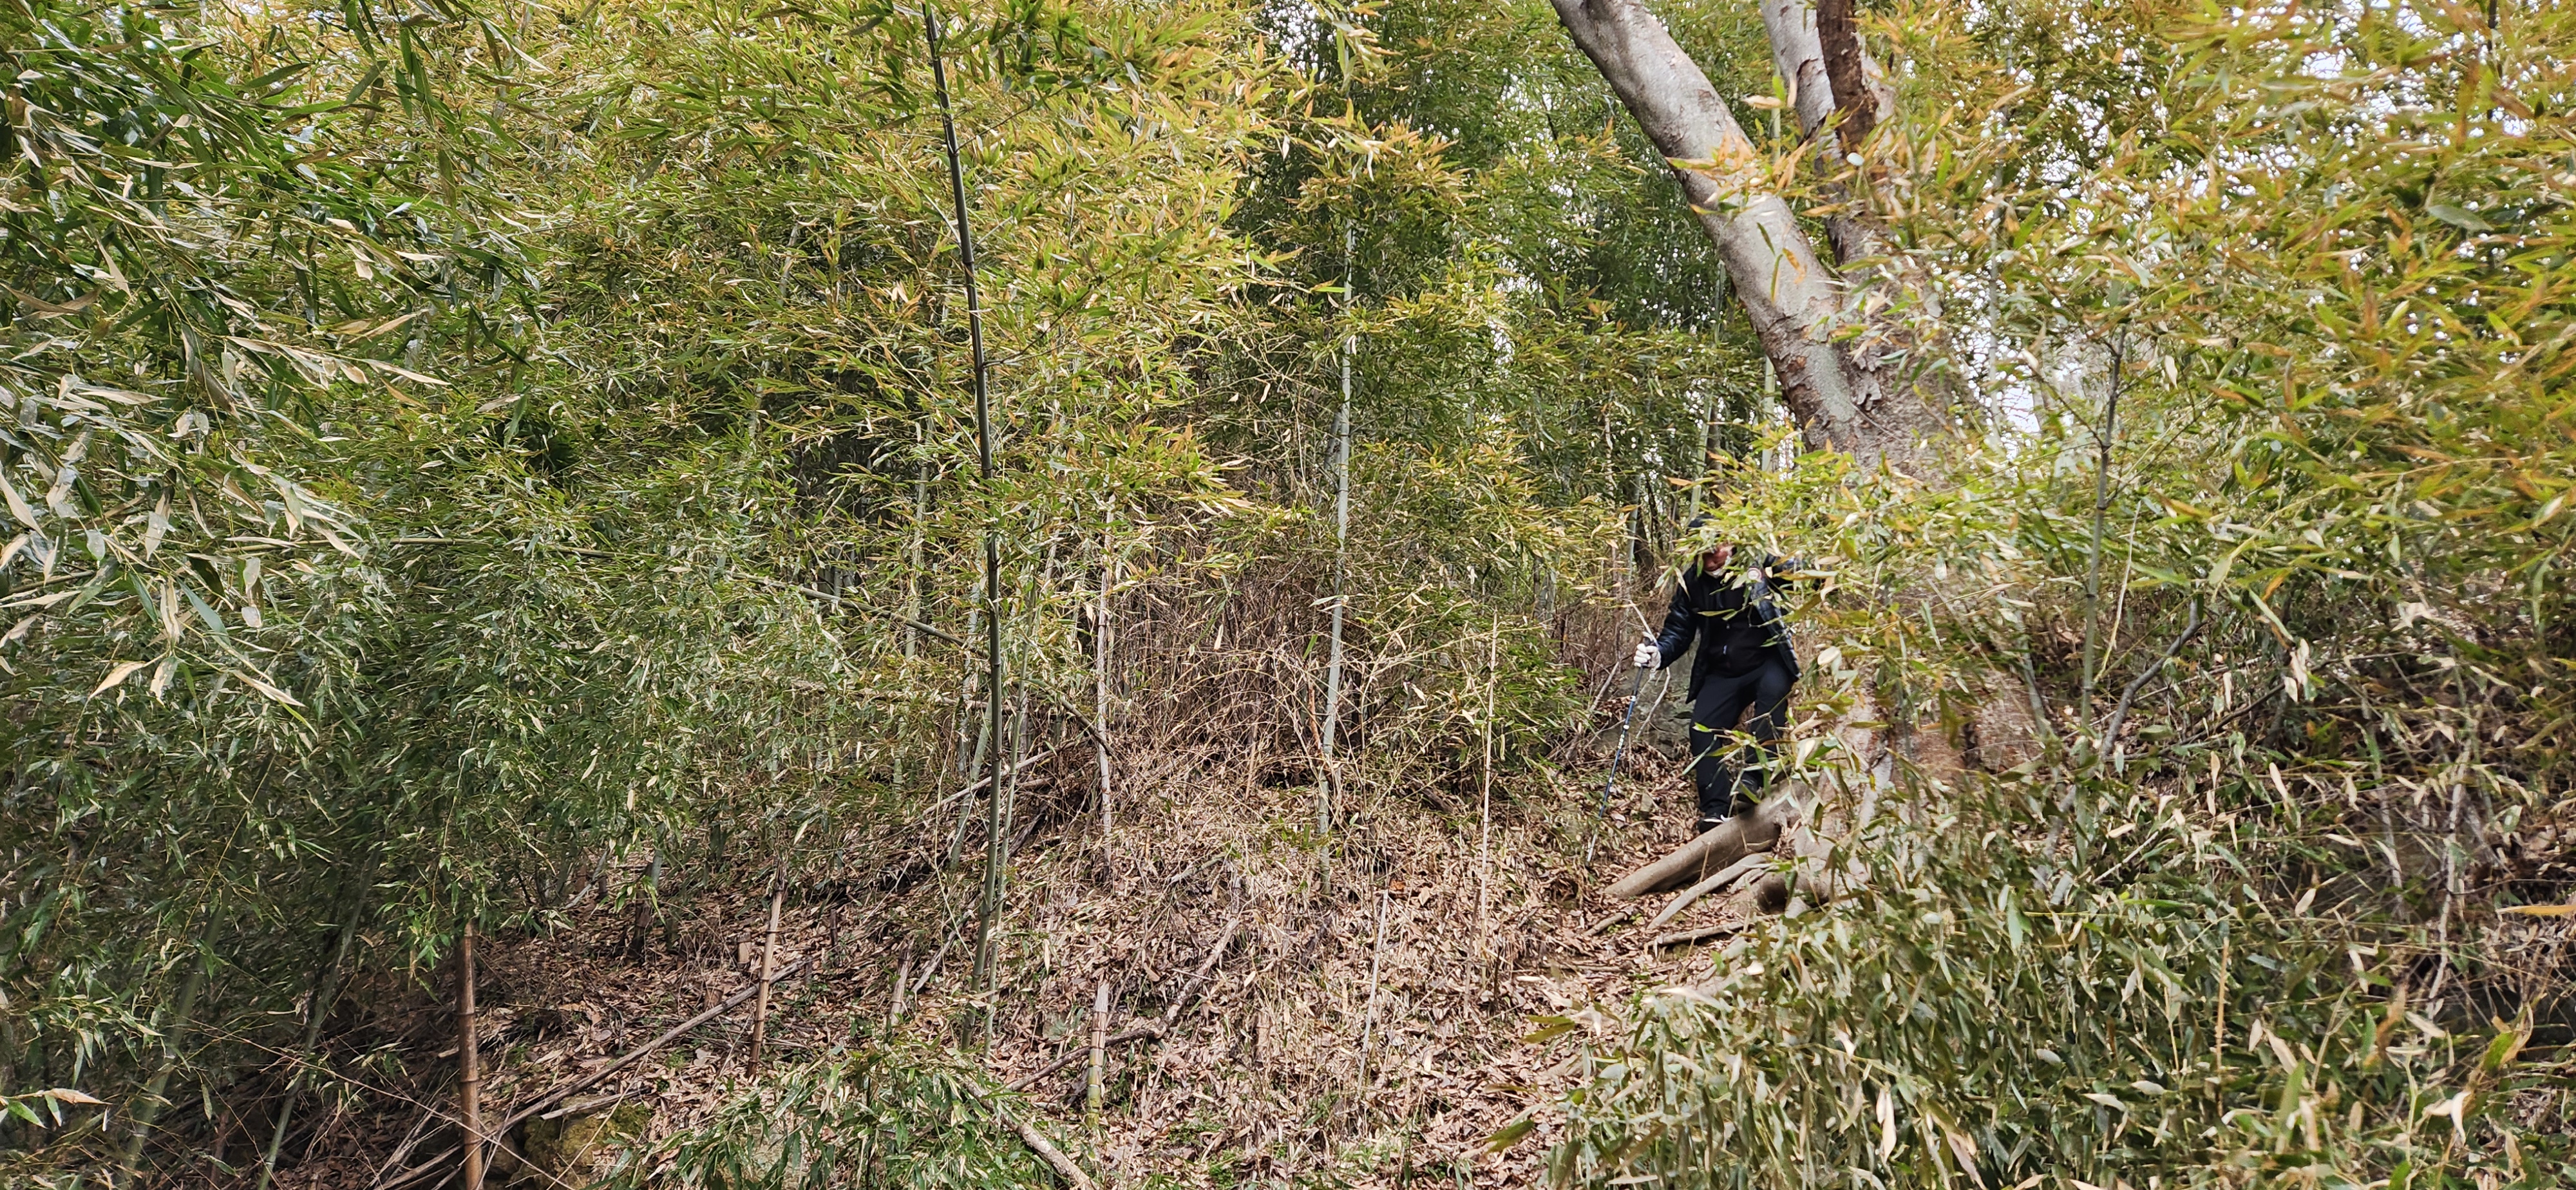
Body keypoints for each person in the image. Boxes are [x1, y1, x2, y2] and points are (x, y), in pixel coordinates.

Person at [1631, 528, 1807, 832]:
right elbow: (1679, 629)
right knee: (1702, 727)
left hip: (1767, 660)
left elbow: (1800, 575)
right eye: (1703, 554)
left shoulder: (1758, 561)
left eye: (1716, 550)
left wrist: (1800, 565)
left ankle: (1754, 779)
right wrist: (1658, 653)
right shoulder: (1692, 582)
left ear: (1731, 542)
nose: (1711, 560)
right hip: (1722, 669)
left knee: (1772, 697)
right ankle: (1715, 810)